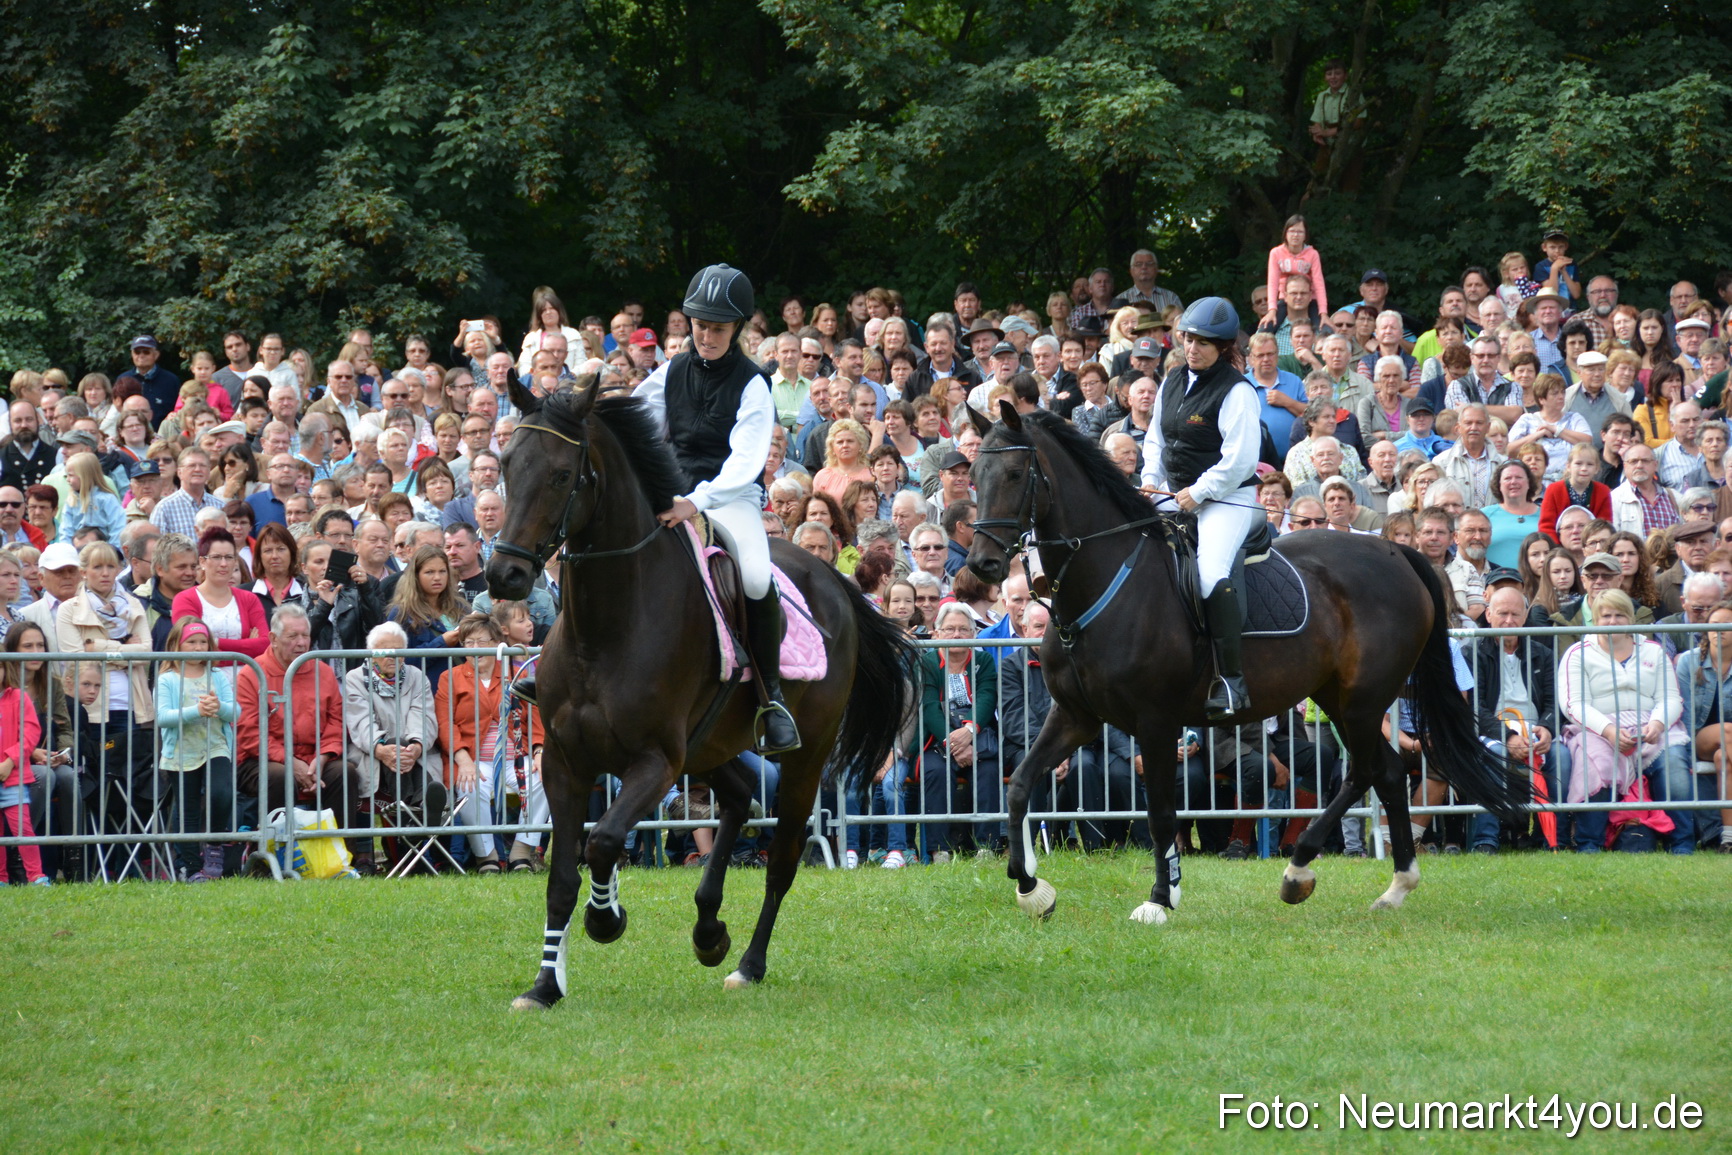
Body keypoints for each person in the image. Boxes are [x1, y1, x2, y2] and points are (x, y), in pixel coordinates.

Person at [631, 263, 800, 752]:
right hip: (674, 489)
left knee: (752, 576)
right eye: (700, 325)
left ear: (737, 330)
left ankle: (773, 698)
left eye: (717, 328)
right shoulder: (672, 370)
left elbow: (746, 462)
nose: (705, 335)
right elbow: (639, 418)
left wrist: (694, 502)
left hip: (730, 496)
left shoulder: (753, 383)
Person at [1139, 298, 1260, 719]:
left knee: (1210, 574)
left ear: (1223, 347)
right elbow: (1156, 438)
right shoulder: (1172, 379)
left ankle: (1232, 680)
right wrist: (1151, 480)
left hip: (1226, 498)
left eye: (1204, 343)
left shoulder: (1238, 391)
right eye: (1189, 338)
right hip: (1172, 492)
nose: (1193, 347)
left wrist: (1200, 491)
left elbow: (1240, 459)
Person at [1557, 588, 1698, 853]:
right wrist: (1609, 731)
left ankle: (1682, 844)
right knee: (1595, 763)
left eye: (1620, 615)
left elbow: (1671, 698)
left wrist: (1656, 724)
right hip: (1598, 727)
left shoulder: (1654, 651)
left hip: (1652, 726)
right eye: (1605, 616)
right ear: (1595, 620)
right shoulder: (1578, 653)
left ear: (1631, 618)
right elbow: (1573, 703)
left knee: (1675, 764)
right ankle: (1589, 843)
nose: (1612, 622)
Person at [235, 604, 372, 872]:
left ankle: (341, 861)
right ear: (273, 639)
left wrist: (321, 759)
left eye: (305, 636)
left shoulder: (323, 671)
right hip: (261, 760)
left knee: (344, 773)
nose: (301, 643)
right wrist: (292, 763)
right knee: (278, 776)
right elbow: (251, 734)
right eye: (292, 637)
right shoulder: (251, 674)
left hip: (315, 758)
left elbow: (336, 720)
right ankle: (269, 860)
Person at [436, 613, 545, 873]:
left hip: (516, 756)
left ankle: (521, 851)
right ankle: (487, 856)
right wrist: (463, 760)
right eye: (469, 643)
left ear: (497, 644)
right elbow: (445, 723)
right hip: (474, 759)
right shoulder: (450, 677)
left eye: (482, 642)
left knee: (543, 777)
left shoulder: (515, 674)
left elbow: (536, 716)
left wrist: (539, 750)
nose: (475, 649)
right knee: (471, 786)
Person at [344, 621, 448, 868]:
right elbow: (360, 721)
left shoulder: (416, 677)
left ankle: (415, 821)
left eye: (398, 649)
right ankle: (420, 811)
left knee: (401, 743)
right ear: (371, 652)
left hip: (415, 754)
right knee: (394, 742)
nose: (393, 655)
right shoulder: (355, 678)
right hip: (370, 753)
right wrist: (381, 748)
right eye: (385, 650)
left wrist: (416, 745)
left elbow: (422, 716)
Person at [907, 601, 999, 862]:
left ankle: (986, 847)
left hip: (976, 738)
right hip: (937, 739)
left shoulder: (983, 660)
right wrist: (953, 742)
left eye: (963, 629)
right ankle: (939, 850)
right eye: (949, 629)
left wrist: (969, 733)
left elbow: (986, 697)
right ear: (936, 633)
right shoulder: (926, 662)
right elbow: (929, 707)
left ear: (973, 634)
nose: (956, 635)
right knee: (935, 770)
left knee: (989, 770)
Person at [1469, 585, 1559, 853]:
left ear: (1525, 616)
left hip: (1535, 730)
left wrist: (1547, 728)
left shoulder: (1542, 653)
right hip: (1492, 732)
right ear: (1488, 614)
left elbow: (1554, 702)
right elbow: (1475, 709)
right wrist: (1507, 737)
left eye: (1515, 614)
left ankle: (1554, 839)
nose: (1509, 621)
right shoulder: (1473, 652)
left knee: (1562, 758)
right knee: (1493, 756)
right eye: (1502, 613)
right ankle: (1486, 840)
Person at [155, 618, 239, 883]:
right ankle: (191, 868)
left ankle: (214, 845)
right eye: (191, 641)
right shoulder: (167, 679)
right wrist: (197, 711)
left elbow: (234, 711)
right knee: (187, 808)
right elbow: (163, 717)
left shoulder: (216, 675)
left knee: (222, 792)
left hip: (215, 746)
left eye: (203, 641)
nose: (198, 647)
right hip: (182, 751)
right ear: (177, 645)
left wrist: (219, 708)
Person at [1674, 603, 1732, 852]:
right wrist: (1686, 756)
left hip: (1726, 745)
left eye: (1726, 625)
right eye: (1713, 625)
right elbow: (1684, 714)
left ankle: (1727, 836)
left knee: (1725, 757)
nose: (1719, 631)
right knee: (1728, 730)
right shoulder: (1689, 661)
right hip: (1699, 737)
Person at [170, 527, 270, 658]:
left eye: (229, 557)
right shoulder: (185, 599)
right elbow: (192, 651)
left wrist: (215, 641)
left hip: (245, 676)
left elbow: (264, 645)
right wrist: (245, 648)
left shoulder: (249, 599)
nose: (223, 564)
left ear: (235, 561)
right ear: (202, 562)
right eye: (216, 557)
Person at [387, 544, 469, 688]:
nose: (437, 577)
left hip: (463, 692)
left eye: (442, 571)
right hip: (424, 695)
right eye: (429, 572)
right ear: (416, 576)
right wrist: (442, 643)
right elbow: (396, 662)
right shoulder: (402, 613)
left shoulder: (460, 607)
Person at [0, 642, 46, 886]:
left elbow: (30, 733)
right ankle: (0, 879)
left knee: (22, 829)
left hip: (14, 777)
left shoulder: (19, 698)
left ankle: (36, 876)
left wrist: (10, 760)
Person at [1538, 444, 1614, 543]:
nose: (1584, 468)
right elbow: (1546, 526)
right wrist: (1557, 550)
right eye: (1578, 463)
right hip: (1559, 548)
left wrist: (1593, 547)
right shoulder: (1554, 489)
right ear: (1568, 466)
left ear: (1596, 469)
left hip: (1592, 547)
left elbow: (1604, 525)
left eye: (1590, 464)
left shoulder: (1603, 491)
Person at [1482, 459, 1542, 569]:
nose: (1513, 482)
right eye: (1507, 478)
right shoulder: (1484, 516)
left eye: (1519, 477)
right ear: (1499, 484)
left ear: (1529, 483)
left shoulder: (1546, 514)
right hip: (1497, 582)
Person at [57, 452, 125, 545]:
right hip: (78, 550)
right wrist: (68, 551)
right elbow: (66, 530)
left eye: (71, 475)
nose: (67, 479)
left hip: (103, 551)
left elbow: (118, 527)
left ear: (85, 476)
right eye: (67, 475)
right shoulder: (71, 501)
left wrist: (114, 552)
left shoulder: (107, 499)